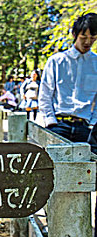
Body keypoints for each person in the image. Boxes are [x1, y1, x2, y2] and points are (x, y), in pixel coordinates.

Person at [39, 13, 97, 152]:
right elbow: (45, 95)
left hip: (85, 128)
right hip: (58, 124)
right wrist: (51, 122)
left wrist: (93, 123)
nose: (87, 42)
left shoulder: (96, 63)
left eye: (93, 38)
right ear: (74, 35)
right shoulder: (56, 61)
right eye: (83, 37)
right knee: (55, 169)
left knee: (84, 170)